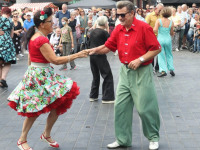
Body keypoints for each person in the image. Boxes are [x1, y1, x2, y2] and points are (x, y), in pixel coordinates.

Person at [7, 8, 88, 150]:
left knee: (58, 101)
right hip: (39, 76)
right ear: (42, 24)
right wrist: (77, 54)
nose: (54, 23)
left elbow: (31, 58)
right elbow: (55, 60)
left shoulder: (36, 36)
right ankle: (22, 140)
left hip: (40, 74)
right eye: (51, 21)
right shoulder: (40, 39)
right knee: (34, 110)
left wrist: (30, 72)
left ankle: (46, 134)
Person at [87, 1, 161, 149]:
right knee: (120, 107)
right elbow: (108, 46)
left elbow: (156, 49)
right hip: (125, 71)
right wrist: (93, 50)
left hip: (142, 71)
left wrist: (140, 59)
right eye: (117, 14)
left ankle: (153, 137)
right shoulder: (119, 29)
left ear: (132, 13)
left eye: (122, 15)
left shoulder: (144, 28)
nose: (119, 18)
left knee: (144, 107)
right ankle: (122, 139)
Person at [89, 16, 115, 104]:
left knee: (95, 76)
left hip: (92, 55)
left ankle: (93, 96)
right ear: (105, 23)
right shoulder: (104, 32)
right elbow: (110, 42)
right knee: (107, 75)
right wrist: (107, 29)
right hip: (100, 55)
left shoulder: (92, 31)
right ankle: (107, 97)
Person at [154, 7, 175, 77]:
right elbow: (171, 33)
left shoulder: (158, 20)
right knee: (169, 54)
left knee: (161, 55)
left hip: (160, 39)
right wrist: (172, 33)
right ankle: (171, 69)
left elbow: (155, 30)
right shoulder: (171, 22)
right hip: (168, 39)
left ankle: (163, 70)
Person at [145, 3, 164, 73]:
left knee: (160, 52)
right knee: (152, 52)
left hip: (160, 36)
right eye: (160, 10)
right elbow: (145, 25)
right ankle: (151, 67)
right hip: (151, 36)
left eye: (162, 10)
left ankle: (158, 67)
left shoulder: (161, 16)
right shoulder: (149, 15)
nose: (160, 12)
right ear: (156, 9)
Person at [0, 7, 16, 88]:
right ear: (9, 14)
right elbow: (12, 35)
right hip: (7, 43)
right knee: (8, 62)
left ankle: (0, 80)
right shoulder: (11, 21)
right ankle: (3, 79)